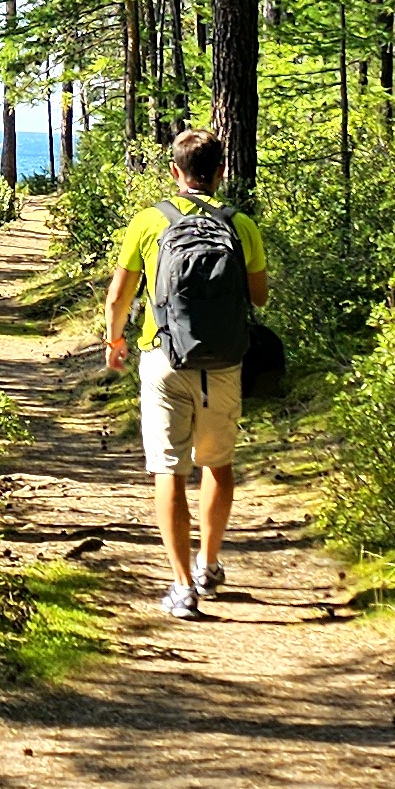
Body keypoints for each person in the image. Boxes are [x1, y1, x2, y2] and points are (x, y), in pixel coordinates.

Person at [101, 128, 270, 620]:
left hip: (162, 359)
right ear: (220, 172)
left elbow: (118, 297)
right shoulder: (242, 225)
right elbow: (258, 298)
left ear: (175, 173)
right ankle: (209, 562)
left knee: (167, 467)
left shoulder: (150, 221)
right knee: (217, 463)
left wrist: (115, 344)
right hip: (223, 361)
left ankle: (180, 587)